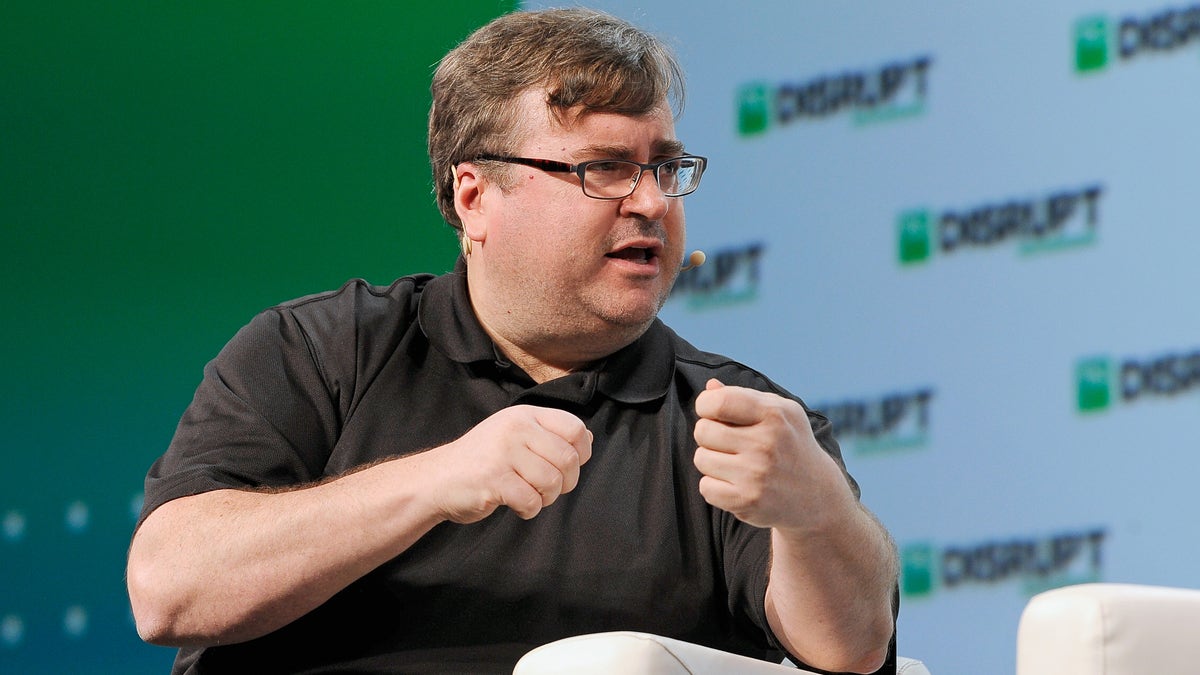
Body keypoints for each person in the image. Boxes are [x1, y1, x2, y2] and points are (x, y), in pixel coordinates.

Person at [126, 7, 899, 674]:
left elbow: (856, 648)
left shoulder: (732, 416)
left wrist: (817, 513)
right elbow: (170, 588)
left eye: (665, 168)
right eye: (604, 168)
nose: (652, 202)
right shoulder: (317, 351)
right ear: (474, 197)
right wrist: (433, 481)